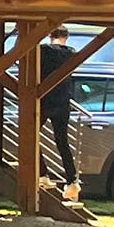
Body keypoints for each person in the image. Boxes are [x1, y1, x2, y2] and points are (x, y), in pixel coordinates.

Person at [37, 28, 79, 199]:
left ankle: (42, 174)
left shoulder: (43, 51)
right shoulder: (72, 54)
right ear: (66, 38)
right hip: (63, 102)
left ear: (50, 35)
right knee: (62, 141)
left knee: (30, 137)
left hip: (44, 100)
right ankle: (72, 181)